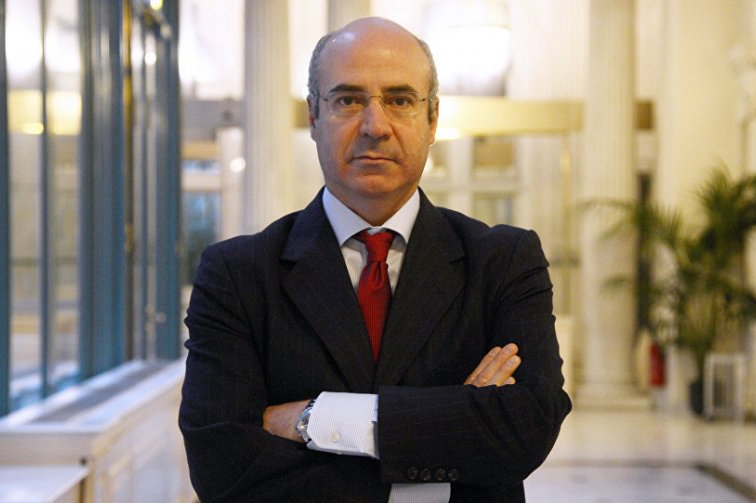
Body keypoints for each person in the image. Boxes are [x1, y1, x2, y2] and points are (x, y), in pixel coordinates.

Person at [179, 16, 572, 502]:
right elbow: (223, 468)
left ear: (432, 120)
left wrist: (318, 419)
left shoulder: (504, 262)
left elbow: (526, 428)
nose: (375, 126)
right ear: (314, 117)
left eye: (400, 100)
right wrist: (449, 441)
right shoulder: (237, 274)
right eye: (348, 100)